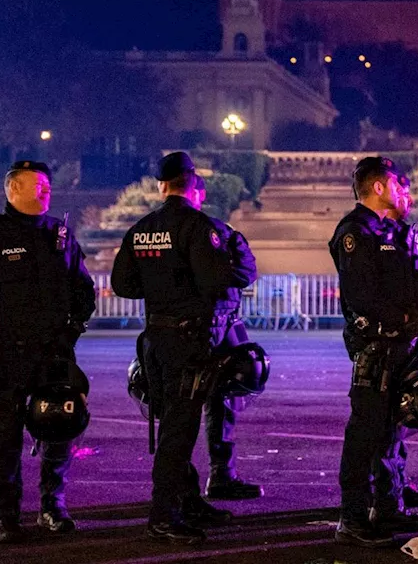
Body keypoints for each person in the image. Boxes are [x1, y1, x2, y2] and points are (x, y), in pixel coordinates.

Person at [110, 152, 254, 544]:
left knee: (174, 423)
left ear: (161, 186)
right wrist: (235, 256)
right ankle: (163, 513)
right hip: (192, 340)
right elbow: (220, 280)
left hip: (157, 339)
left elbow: (123, 284)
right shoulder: (200, 227)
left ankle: (188, 501)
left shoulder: (142, 228)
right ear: (193, 185)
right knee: (180, 430)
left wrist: (161, 288)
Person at [0, 160, 97, 543]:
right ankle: (6, 516)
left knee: (61, 427)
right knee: (5, 436)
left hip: (55, 355)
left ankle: (53, 507)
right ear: (12, 189)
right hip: (7, 355)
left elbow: (83, 291)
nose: (45, 190)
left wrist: (73, 329)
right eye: (36, 184)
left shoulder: (61, 235)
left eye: (47, 184)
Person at [329, 157, 418, 547]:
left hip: (402, 342)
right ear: (378, 187)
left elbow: (417, 284)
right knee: (366, 431)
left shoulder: (395, 230)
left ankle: (389, 506)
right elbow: (363, 295)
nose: (401, 190)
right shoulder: (356, 231)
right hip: (375, 346)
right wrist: (406, 318)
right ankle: (353, 516)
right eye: (395, 183)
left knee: (393, 429)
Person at [186, 175, 263, 501]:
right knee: (217, 402)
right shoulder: (219, 232)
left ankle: (197, 483)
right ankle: (216, 476)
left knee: (197, 406)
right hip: (213, 325)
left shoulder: (157, 229)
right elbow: (245, 272)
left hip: (197, 325)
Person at [385, 173, 418, 510]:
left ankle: (397, 485)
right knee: (382, 421)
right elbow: (367, 293)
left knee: (402, 416)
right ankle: (382, 501)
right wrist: (401, 321)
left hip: (411, 337)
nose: (408, 199)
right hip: (386, 340)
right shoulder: (363, 233)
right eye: (401, 190)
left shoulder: (402, 234)